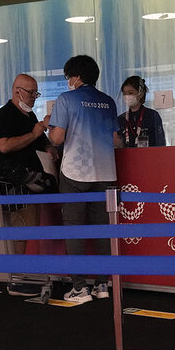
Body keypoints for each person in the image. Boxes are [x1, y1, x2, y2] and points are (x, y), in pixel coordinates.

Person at [48, 55, 122, 304]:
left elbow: (57, 139)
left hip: (75, 173)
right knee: (102, 230)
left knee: (75, 230)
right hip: (106, 172)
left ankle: (79, 289)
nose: (68, 81)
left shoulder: (66, 100)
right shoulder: (108, 101)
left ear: (76, 77)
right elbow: (116, 140)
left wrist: (49, 127)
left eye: (69, 76)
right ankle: (102, 284)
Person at [0, 74, 54, 296]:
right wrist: (34, 133)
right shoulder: (4, 115)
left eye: (36, 93)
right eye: (31, 93)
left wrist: (47, 145)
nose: (34, 98)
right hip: (13, 181)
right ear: (17, 90)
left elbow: (38, 140)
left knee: (25, 228)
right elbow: (5, 146)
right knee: (18, 228)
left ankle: (18, 273)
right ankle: (15, 278)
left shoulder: (28, 115)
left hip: (29, 181)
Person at [117, 75, 165, 147]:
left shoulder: (152, 116)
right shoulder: (121, 119)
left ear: (141, 94)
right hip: (127, 157)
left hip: (149, 156)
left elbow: (160, 143)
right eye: (124, 93)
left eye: (130, 93)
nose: (127, 96)